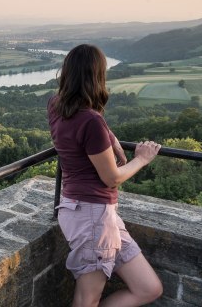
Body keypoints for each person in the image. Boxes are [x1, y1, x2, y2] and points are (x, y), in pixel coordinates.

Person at [48, 44, 163, 307]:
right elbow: (112, 177)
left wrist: (108, 135)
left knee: (148, 288)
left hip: (90, 212)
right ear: (98, 76)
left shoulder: (56, 105)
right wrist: (142, 159)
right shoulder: (90, 121)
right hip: (93, 216)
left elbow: (84, 134)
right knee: (87, 300)